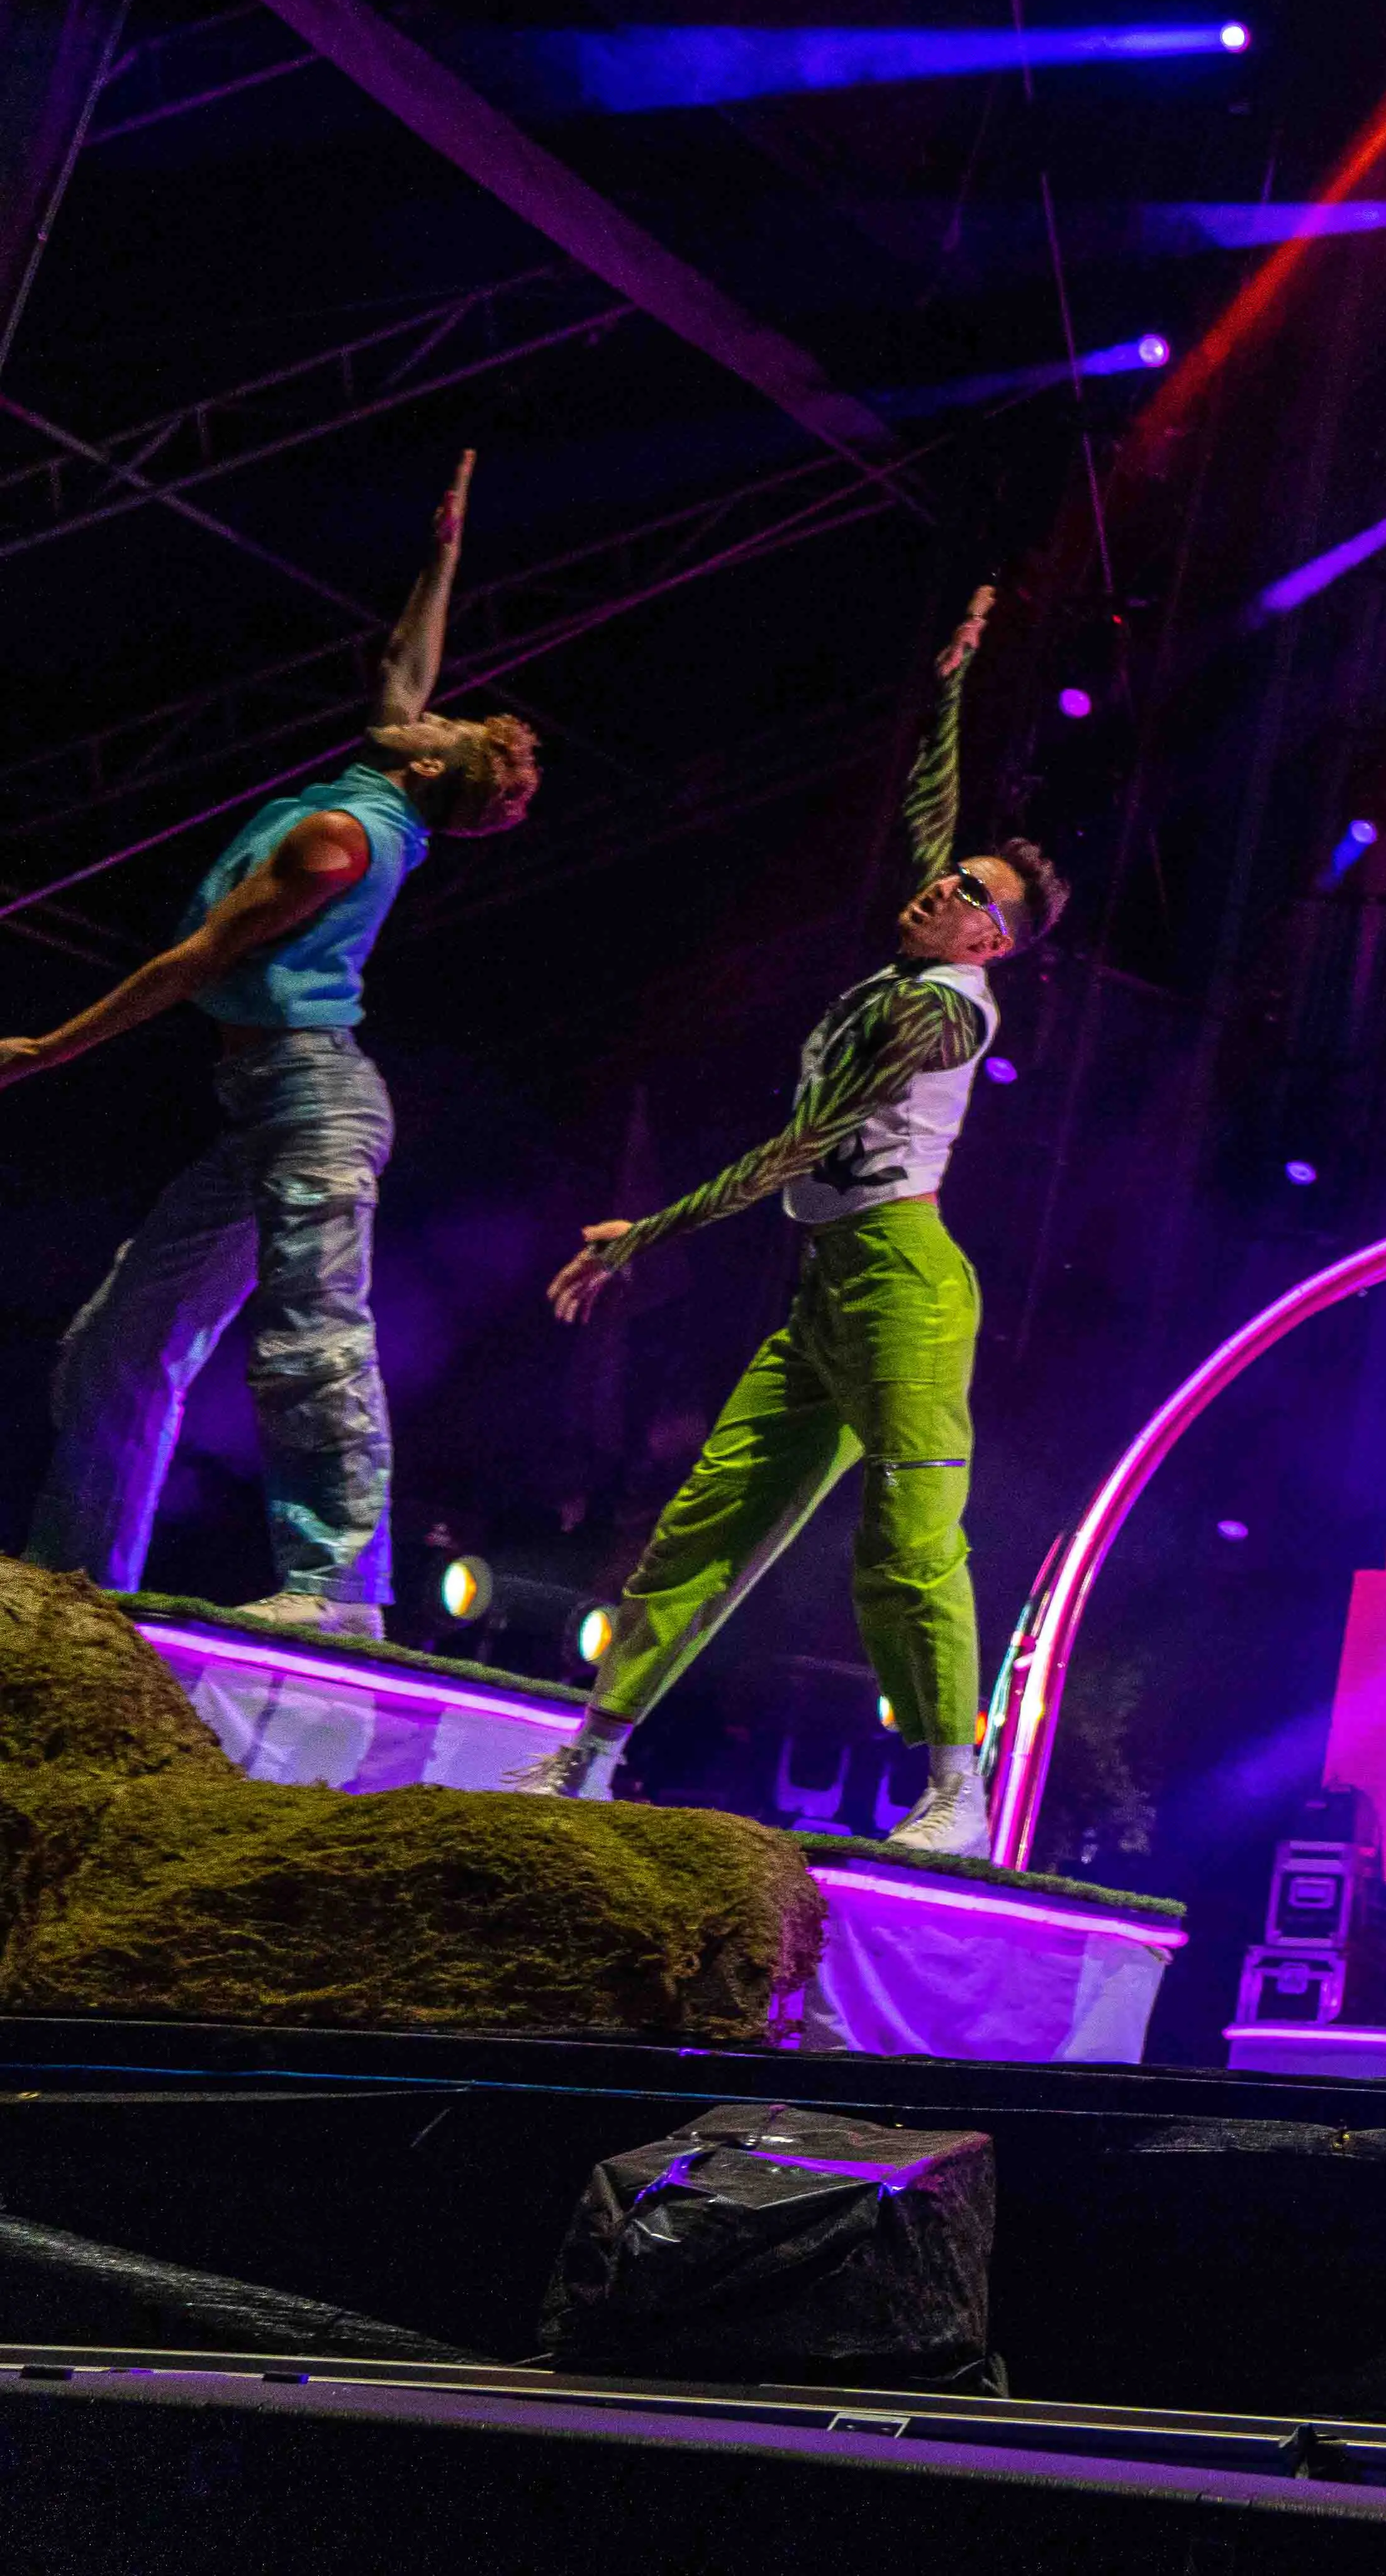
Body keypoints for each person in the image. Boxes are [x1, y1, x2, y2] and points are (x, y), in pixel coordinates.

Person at [504, 590, 1049, 1852]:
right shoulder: (922, 957)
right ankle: (592, 1750)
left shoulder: (943, 1010)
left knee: (908, 1544)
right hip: (827, 1286)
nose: (943, 879)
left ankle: (956, 1795)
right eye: (950, 870)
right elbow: (930, 815)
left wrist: (646, 1233)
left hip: (905, 1285)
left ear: (994, 941)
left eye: (970, 886)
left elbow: (809, 1144)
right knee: (709, 1515)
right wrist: (955, 684)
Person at [13, 454, 536, 1634]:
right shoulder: (383, 776)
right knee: (120, 1344)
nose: (432, 711)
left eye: (442, 728)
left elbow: (195, 962)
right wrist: (443, 552)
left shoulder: (340, 842)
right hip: (268, 1105)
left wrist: (46, 1047)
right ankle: (73, 1589)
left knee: (313, 1330)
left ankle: (339, 1588)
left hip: (315, 1100)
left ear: (419, 765)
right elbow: (406, 667)